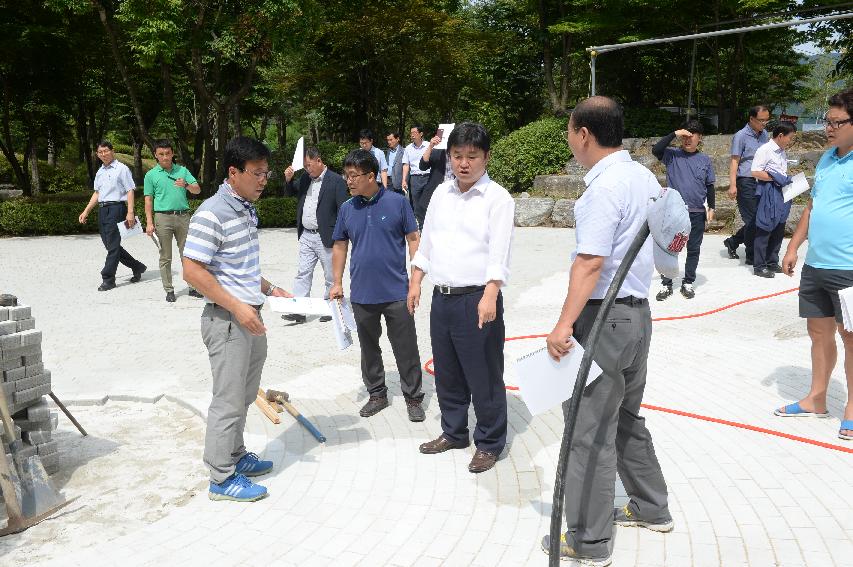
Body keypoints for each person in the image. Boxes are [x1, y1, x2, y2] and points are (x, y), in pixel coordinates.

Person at [541, 97, 672, 566]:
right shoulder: (642, 176)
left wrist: (562, 325)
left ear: (583, 134)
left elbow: (591, 261)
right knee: (627, 418)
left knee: (588, 432)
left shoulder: (603, 188)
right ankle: (652, 506)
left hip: (605, 318)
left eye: (570, 131)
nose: (570, 139)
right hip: (637, 317)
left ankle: (589, 540)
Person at [182, 136, 293, 502]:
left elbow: (237, 266)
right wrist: (237, 307)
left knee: (244, 395)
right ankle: (221, 477)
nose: (264, 180)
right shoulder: (212, 211)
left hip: (249, 317)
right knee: (227, 400)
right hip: (228, 321)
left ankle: (235, 455)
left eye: (266, 172)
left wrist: (270, 289)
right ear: (234, 173)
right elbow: (192, 270)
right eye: (257, 173)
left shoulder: (245, 207)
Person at [409, 122, 515, 475]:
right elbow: (428, 242)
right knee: (448, 371)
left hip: (477, 299)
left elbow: (499, 252)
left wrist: (491, 294)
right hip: (444, 298)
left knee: (483, 373)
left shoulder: (498, 198)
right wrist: (416, 281)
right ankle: (453, 432)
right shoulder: (442, 194)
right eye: (457, 156)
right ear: (449, 156)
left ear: (486, 157)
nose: (464, 163)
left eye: (472, 156)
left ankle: (489, 441)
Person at [778, 88, 853, 443]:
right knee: (818, 333)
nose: (829, 128)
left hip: (849, 269)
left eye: (838, 122)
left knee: (851, 339)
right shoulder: (826, 160)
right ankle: (816, 398)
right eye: (828, 120)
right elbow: (812, 207)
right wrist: (793, 245)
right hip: (817, 266)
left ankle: (852, 408)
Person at [330, 149, 425, 421]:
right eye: (346, 175)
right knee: (368, 347)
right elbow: (339, 245)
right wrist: (336, 282)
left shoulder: (398, 202)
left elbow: (413, 239)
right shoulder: (347, 209)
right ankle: (377, 394)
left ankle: (413, 397)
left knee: (405, 347)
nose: (348, 181)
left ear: (371, 176)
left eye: (353, 176)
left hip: (397, 291)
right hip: (362, 293)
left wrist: (415, 280)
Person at [282, 146, 349, 324]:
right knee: (303, 273)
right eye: (305, 166)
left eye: (309, 165)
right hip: (306, 235)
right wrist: (288, 180)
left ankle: (331, 307)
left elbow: (344, 210)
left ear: (319, 161)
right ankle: (299, 310)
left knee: (330, 274)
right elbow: (291, 193)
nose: (307, 169)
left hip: (326, 235)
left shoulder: (336, 181)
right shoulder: (305, 178)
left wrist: (341, 236)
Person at [651, 120, 715, 300]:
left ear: (699, 138)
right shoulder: (672, 155)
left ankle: (688, 282)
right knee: (670, 248)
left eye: (692, 135)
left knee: (693, 249)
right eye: (685, 136)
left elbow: (709, 186)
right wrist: (674, 134)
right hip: (674, 213)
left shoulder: (705, 160)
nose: (688, 139)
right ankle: (666, 283)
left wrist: (712, 207)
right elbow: (656, 150)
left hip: (696, 212)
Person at [78, 140, 146, 291]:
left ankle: (108, 279)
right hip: (103, 210)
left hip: (117, 209)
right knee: (110, 245)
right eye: (100, 152)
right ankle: (137, 266)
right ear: (97, 154)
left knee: (113, 245)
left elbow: (130, 190)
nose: (103, 154)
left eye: (106, 151)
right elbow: (97, 193)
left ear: (112, 151)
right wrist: (86, 210)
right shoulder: (100, 171)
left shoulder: (122, 169)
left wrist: (130, 212)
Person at [143, 139, 202, 302]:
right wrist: (149, 222)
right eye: (161, 154)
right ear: (155, 155)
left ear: (172, 153)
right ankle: (169, 289)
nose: (165, 157)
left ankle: (193, 287)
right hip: (162, 217)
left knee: (188, 254)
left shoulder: (182, 171)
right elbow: (148, 200)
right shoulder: (151, 175)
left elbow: (197, 190)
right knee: (165, 256)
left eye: (167, 153)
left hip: (183, 216)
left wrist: (187, 186)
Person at [724, 105, 771, 264]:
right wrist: (732, 185)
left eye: (766, 120)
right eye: (761, 121)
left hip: (761, 180)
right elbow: (734, 161)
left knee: (758, 218)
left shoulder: (764, 134)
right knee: (753, 218)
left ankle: (734, 241)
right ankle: (752, 255)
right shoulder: (741, 136)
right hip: (746, 180)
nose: (764, 124)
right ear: (751, 119)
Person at [751, 121, 797, 278]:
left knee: (779, 227)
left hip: (782, 192)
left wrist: (783, 179)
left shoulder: (782, 152)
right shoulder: (765, 149)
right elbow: (755, 172)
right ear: (781, 135)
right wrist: (776, 178)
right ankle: (759, 266)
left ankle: (772, 261)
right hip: (768, 192)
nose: (791, 141)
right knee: (765, 227)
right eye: (790, 138)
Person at [415, 131, 452, 228]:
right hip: (434, 191)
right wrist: (431, 146)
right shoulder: (437, 151)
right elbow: (422, 166)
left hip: (453, 192)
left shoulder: (459, 154)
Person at [401, 124, 430, 212]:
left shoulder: (429, 146)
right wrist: (404, 180)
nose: (412, 135)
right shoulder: (408, 148)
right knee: (416, 203)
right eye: (411, 133)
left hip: (428, 177)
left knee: (428, 202)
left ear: (421, 134)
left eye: (414, 132)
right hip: (414, 179)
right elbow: (406, 165)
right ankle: (418, 223)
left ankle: (427, 223)